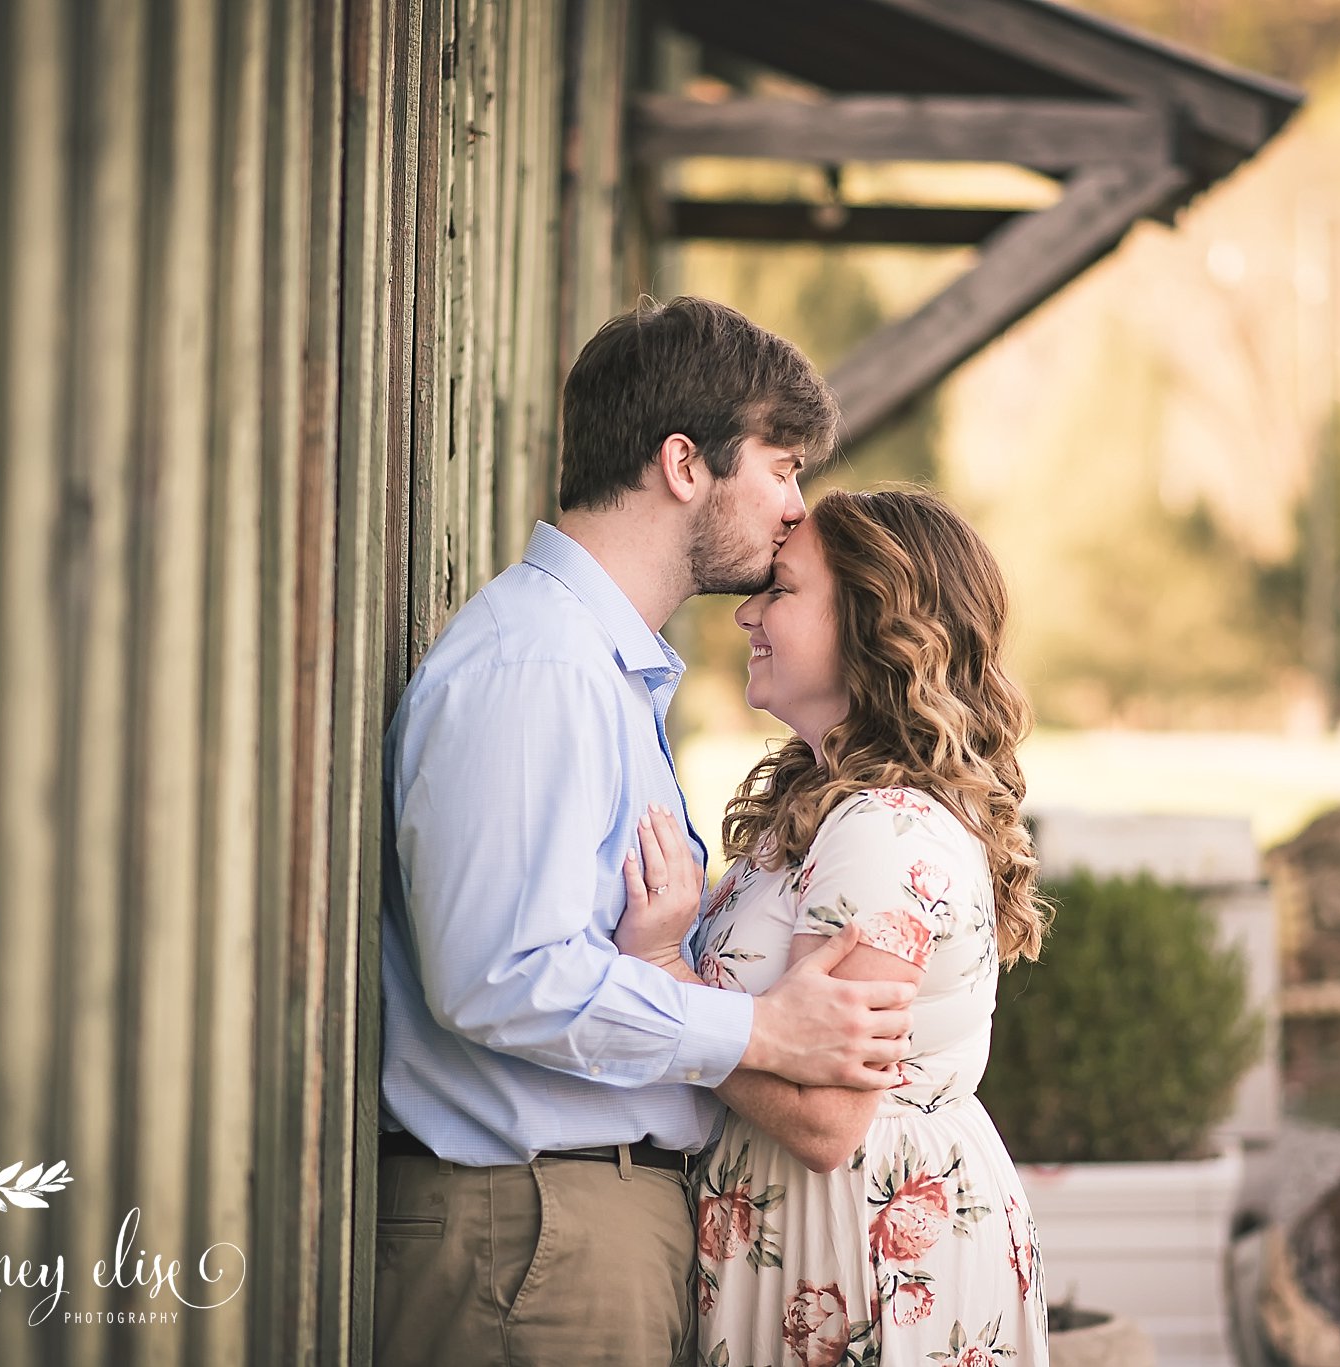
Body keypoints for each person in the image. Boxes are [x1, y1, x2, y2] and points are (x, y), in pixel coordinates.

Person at [375, 298, 918, 1367]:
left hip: (566, 1229)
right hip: (528, 1236)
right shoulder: (539, 667)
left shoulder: (596, 669)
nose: (791, 506)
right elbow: (500, 973)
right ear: (684, 463)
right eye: (780, 465)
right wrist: (761, 1032)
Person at [616, 489, 1054, 1367]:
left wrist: (664, 968)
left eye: (779, 589)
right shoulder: (819, 809)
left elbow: (827, 1120)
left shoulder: (884, 829)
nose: (746, 612)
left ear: (869, 621)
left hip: (856, 1253)